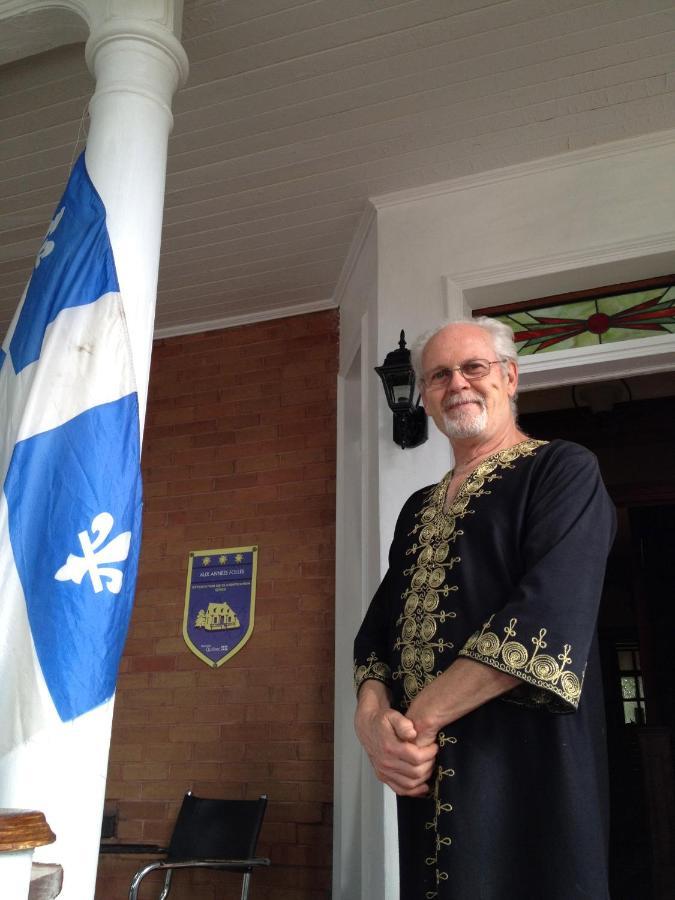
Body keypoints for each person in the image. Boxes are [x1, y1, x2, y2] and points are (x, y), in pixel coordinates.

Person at [353, 317, 616, 900]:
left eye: (474, 367)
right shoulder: (417, 508)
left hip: (526, 766)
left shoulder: (562, 471)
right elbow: (376, 634)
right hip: (425, 778)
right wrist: (373, 729)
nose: (458, 384)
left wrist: (413, 724)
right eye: (439, 375)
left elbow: (545, 617)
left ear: (511, 377)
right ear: (423, 395)